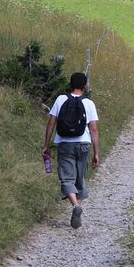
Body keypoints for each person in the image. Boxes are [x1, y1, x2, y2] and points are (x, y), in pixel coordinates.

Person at [43, 72, 100, 229]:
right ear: (85, 85)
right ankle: (77, 207)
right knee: (80, 178)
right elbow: (94, 129)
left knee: (67, 179)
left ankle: (75, 206)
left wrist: (46, 145)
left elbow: (51, 123)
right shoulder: (89, 103)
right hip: (84, 144)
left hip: (65, 144)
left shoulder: (61, 99)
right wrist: (96, 153)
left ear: (70, 84)